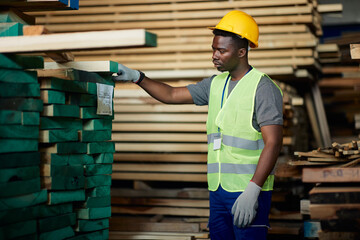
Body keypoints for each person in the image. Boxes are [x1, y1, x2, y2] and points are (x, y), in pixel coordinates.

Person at [113, 10, 283, 240]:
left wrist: (254, 189)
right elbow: (172, 94)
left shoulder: (262, 87)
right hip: (218, 190)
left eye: (221, 50)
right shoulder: (215, 84)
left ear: (242, 52)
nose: (214, 55)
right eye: (214, 49)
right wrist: (137, 77)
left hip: (248, 190)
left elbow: (273, 143)